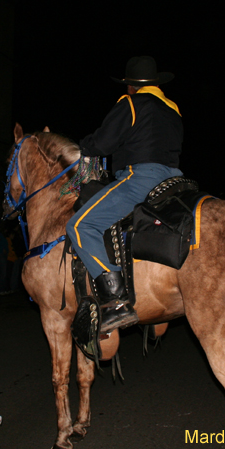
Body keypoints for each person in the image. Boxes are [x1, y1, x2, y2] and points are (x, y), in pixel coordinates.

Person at [66, 56, 183, 333]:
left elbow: (104, 142)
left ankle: (115, 300)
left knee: (80, 225)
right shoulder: (173, 108)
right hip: (175, 179)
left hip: (141, 177)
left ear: (131, 86)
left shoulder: (129, 103)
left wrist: (82, 147)